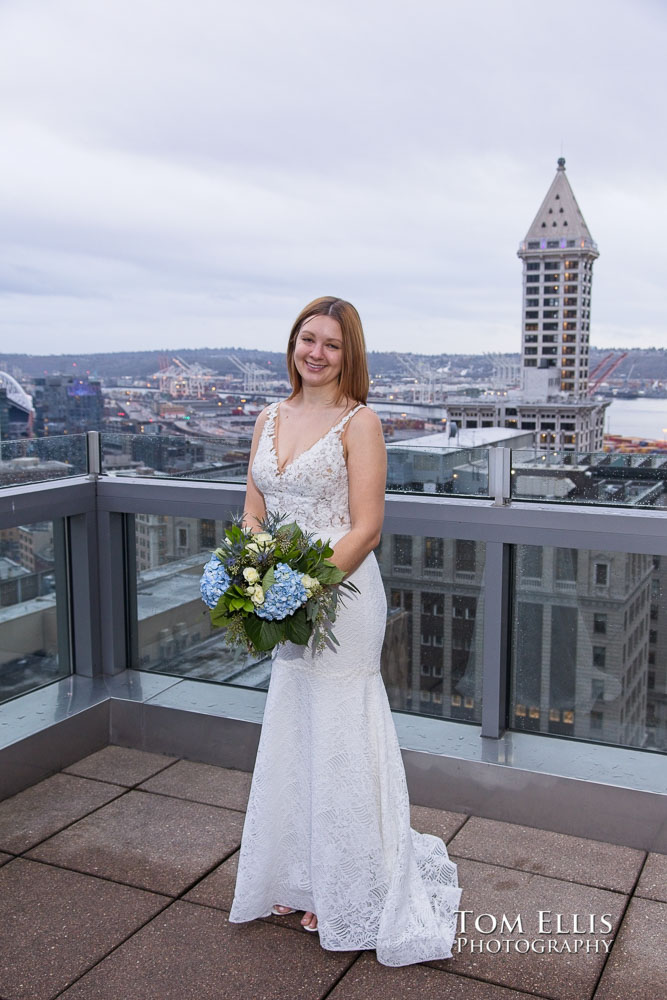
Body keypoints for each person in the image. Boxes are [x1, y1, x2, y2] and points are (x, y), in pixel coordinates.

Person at [228, 296, 461, 966]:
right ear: (293, 344)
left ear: (347, 353)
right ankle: (295, 873)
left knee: (339, 731)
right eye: (308, 339)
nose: (316, 353)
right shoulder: (267, 416)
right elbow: (253, 509)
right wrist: (256, 573)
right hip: (279, 591)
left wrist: (302, 585)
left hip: (342, 593)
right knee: (296, 725)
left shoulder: (361, 423)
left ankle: (347, 885)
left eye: (331, 344)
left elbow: (366, 528)